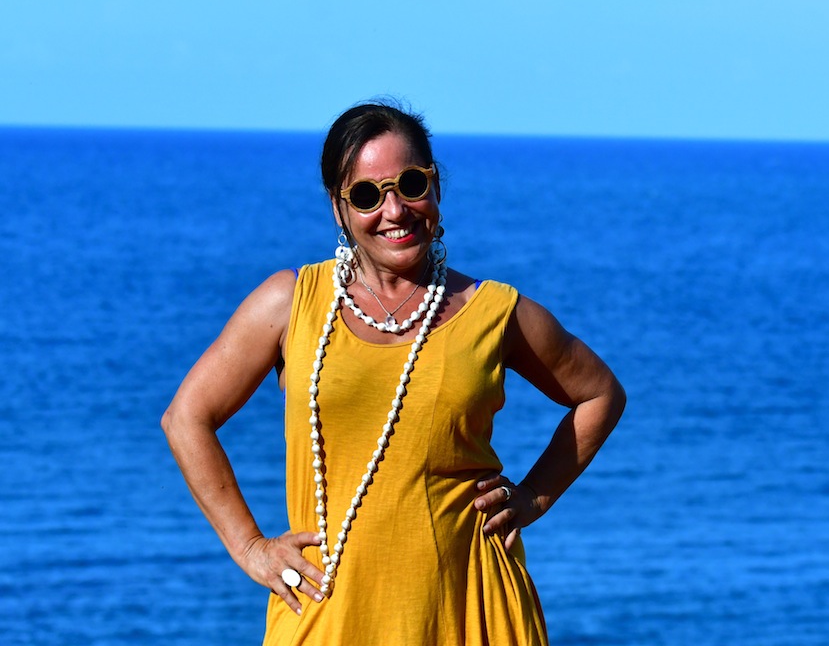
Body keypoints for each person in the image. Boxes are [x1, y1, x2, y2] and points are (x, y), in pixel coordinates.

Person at [162, 99, 626, 644]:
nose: (395, 210)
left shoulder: (494, 312)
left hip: (470, 607)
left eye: (410, 184)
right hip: (329, 612)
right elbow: (186, 417)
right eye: (366, 195)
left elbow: (599, 394)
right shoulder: (290, 304)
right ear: (339, 209)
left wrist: (533, 498)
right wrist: (250, 547)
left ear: (435, 187)